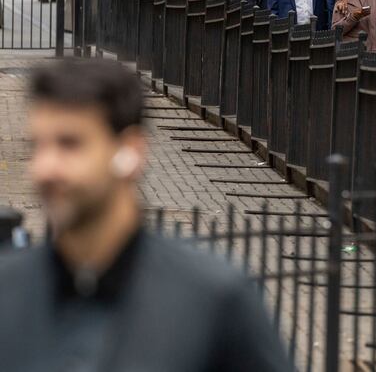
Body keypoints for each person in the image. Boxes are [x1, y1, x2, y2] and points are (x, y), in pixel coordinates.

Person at [0, 58, 292, 371]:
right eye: (37, 147)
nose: (45, 168)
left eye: (70, 144)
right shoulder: (9, 291)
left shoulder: (214, 300)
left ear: (131, 152)